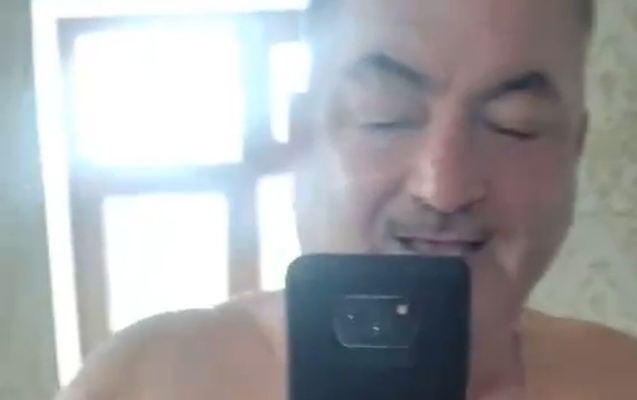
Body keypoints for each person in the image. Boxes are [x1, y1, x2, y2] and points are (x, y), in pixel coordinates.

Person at [56, 0, 637, 399]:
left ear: (574, 149)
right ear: (301, 135)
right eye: (384, 116)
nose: (444, 187)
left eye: (516, 124)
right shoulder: (142, 383)